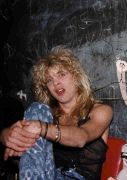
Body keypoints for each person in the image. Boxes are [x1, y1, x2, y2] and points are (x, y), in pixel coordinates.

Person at [1, 45, 113, 179]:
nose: (56, 83)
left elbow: (81, 137)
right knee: (38, 109)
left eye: (61, 74)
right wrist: (8, 138)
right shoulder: (45, 115)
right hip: (49, 175)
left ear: (76, 76)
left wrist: (41, 128)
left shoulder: (101, 111)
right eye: (49, 80)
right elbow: (22, 162)